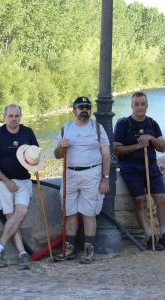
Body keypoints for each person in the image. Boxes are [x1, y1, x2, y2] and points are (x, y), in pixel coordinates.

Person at [113, 91, 165, 250]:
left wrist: (151, 138)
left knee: (162, 200)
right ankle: (150, 237)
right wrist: (139, 146)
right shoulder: (123, 124)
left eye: (142, 104)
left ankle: (164, 235)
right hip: (131, 169)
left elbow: (162, 147)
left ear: (147, 105)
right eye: (136, 104)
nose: (140, 107)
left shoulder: (152, 124)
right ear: (131, 106)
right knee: (140, 202)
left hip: (151, 167)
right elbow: (116, 150)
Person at [54, 96, 110, 264]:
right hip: (70, 174)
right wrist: (61, 147)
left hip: (92, 174)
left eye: (87, 107)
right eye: (81, 107)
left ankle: (88, 250)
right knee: (69, 212)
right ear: (74, 110)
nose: (84, 110)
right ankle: (69, 249)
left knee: (89, 213)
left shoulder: (98, 129)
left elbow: (106, 154)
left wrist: (105, 178)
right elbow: (57, 155)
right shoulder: (66, 129)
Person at [0, 103, 40, 269]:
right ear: (5, 117)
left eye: (16, 116)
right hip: (1, 181)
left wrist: (34, 162)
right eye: (10, 116)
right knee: (11, 218)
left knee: (21, 212)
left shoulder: (27, 132)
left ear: (20, 117)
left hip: (23, 179)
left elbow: (36, 155)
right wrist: (6, 181)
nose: (14, 119)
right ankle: (22, 253)